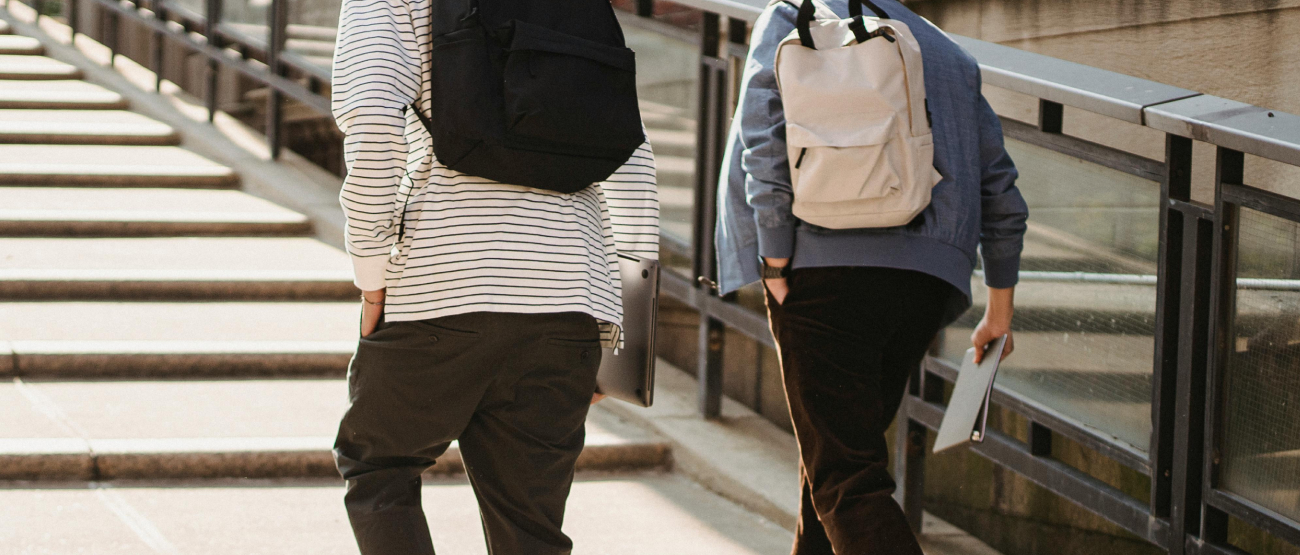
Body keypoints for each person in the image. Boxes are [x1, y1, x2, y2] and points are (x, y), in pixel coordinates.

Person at [327, 0, 660, 552]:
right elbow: (632, 154)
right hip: (571, 293)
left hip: (442, 279)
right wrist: (616, 329)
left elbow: (373, 122)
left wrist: (372, 275)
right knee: (529, 526)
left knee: (378, 466)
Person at [715, 1, 1028, 553]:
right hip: (925, 283)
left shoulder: (793, 18)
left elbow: (762, 138)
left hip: (821, 269)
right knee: (834, 467)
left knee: (845, 478)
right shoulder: (947, 51)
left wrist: (774, 257)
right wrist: (999, 307)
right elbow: (998, 183)